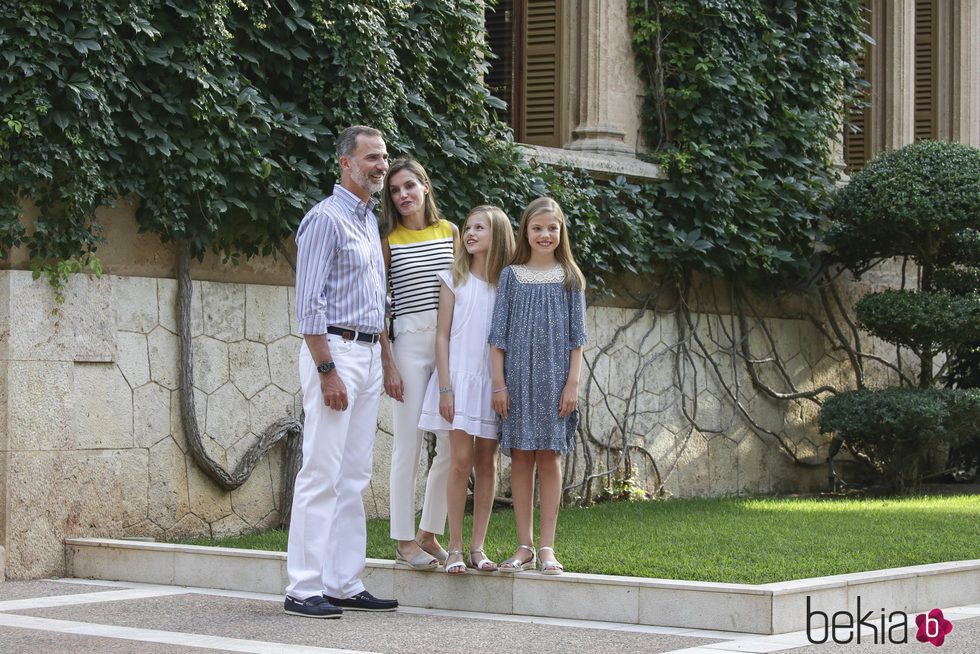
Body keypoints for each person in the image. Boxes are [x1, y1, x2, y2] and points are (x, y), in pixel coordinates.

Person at [285, 125, 399, 618]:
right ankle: (302, 586)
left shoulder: (369, 221)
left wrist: (385, 361)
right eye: (371, 156)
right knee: (322, 470)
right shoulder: (325, 219)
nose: (380, 164)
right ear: (345, 164)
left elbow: (377, 305)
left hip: (369, 354)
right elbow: (309, 304)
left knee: (353, 474)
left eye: (384, 156)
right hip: (335, 351)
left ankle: (343, 581)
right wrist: (327, 369)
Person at [489, 197, 587, 576]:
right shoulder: (511, 277)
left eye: (552, 228)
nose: (545, 234)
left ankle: (547, 546)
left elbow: (577, 339)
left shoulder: (570, 277)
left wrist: (571, 385)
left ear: (561, 232)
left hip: (555, 382)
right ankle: (524, 545)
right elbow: (498, 336)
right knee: (522, 457)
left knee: (550, 457)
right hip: (516, 381)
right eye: (538, 228)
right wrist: (499, 384)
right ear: (525, 232)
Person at [417, 206, 516, 575]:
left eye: (480, 228)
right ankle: (454, 546)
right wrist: (445, 387)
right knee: (459, 461)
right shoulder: (453, 279)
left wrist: (501, 384)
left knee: (487, 464)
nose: (470, 233)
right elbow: (442, 336)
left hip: (492, 384)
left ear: (499, 236)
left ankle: (478, 548)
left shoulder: (507, 286)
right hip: (458, 381)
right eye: (468, 227)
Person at [378, 158, 457, 569]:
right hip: (407, 345)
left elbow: (465, 292)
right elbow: (380, 306)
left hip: (448, 348)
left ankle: (429, 532)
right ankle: (404, 540)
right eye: (394, 190)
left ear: (425, 186)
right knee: (407, 445)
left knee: (449, 444)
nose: (402, 195)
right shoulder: (388, 239)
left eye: (409, 185)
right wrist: (388, 363)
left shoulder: (451, 233)